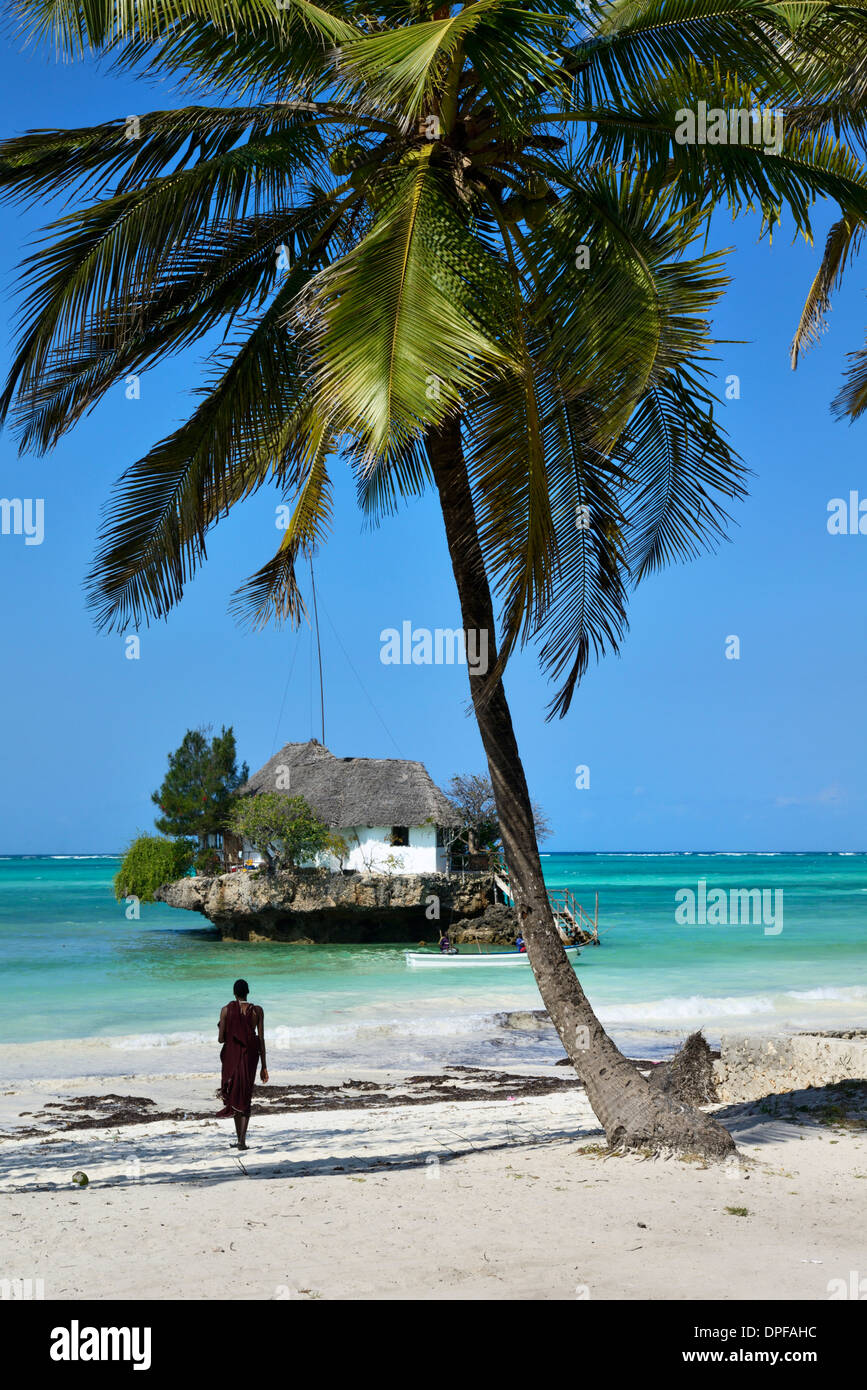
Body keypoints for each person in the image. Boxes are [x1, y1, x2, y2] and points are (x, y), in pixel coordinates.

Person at [216, 979, 268, 1150]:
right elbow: (260, 1039)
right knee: (245, 1095)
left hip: (232, 1056)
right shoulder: (257, 1011)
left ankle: (241, 1140)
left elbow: (221, 1039)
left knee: (234, 1095)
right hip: (251, 1056)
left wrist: (224, 1028)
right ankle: (241, 1140)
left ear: (234, 993)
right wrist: (264, 1066)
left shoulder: (226, 1010)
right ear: (248, 992)